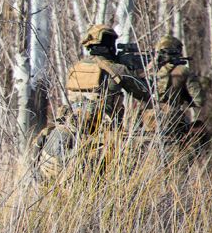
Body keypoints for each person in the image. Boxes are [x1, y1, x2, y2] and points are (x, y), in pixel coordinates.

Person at [33, 24, 149, 181]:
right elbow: (145, 94)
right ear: (109, 44)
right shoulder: (117, 69)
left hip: (66, 129)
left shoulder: (76, 67)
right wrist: (138, 71)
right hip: (99, 137)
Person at [142, 35, 212, 146]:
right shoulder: (183, 71)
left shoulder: (147, 69)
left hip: (144, 121)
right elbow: (199, 100)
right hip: (171, 122)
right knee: (199, 131)